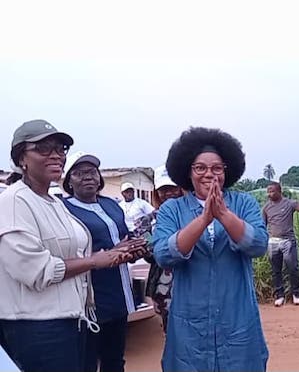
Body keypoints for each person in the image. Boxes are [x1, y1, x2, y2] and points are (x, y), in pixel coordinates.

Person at [0, 119, 130, 372]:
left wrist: (114, 252)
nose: (56, 155)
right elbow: (36, 271)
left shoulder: (53, 202)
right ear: (21, 158)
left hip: (71, 319)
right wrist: (95, 261)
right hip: (38, 326)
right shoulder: (13, 202)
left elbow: (73, 251)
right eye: (43, 148)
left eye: (60, 149)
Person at [152, 127, 269, 372]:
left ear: (227, 171)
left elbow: (258, 244)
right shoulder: (172, 210)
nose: (209, 174)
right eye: (200, 168)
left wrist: (223, 214)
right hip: (189, 321)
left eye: (217, 168)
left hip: (238, 317)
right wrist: (203, 220)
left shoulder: (243, 203)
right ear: (188, 171)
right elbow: (163, 254)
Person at [62, 151, 147, 372]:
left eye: (92, 171)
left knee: (115, 361)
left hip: (119, 294)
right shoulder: (64, 209)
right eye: (79, 173)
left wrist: (133, 249)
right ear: (69, 181)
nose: (88, 177)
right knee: (88, 363)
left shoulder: (111, 204)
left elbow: (124, 238)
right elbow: (66, 250)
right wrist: (111, 252)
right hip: (91, 298)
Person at [262, 182, 299, 306]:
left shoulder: (289, 204)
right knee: (276, 270)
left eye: (272, 191)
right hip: (273, 242)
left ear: (279, 191)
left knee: (293, 268)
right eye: (268, 191)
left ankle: (296, 294)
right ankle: (279, 295)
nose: (269, 194)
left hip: (288, 241)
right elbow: (263, 225)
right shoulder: (266, 207)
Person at [145, 165, 184, 331]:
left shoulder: (194, 215)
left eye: (173, 188)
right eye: (163, 190)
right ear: (156, 192)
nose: (169, 193)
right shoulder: (149, 220)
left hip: (193, 280)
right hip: (163, 285)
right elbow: (148, 251)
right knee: (171, 331)